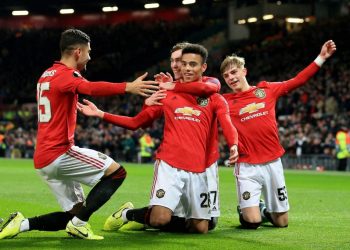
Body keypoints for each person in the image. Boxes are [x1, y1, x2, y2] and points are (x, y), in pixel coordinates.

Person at [0, 29, 159, 240]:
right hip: (59, 153)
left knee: (73, 213)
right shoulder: (67, 75)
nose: (90, 57)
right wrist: (127, 87)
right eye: (88, 52)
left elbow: (58, 99)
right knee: (117, 173)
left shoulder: (46, 74)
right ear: (77, 52)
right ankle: (80, 224)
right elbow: (90, 88)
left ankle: (21, 224)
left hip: (42, 158)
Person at [78, 44, 239, 233]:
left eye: (186, 63)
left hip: (204, 164)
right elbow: (136, 122)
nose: (180, 66)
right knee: (160, 219)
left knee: (205, 225)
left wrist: (234, 145)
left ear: (202, 66)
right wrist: (102, 114)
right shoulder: (165, 94)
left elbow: (224, 115)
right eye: (176, 62)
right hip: (171, 164)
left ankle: (148, 218)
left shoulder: (211, 92)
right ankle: (129, 214)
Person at [220, 40, 336, 229]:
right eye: (226, 76)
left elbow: (297, 81)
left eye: (233, 72)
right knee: (252, 222)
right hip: (247, 165)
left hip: (273, 163)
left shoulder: (266, 90)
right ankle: (248, 210)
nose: (230, 78)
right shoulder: (224, 101)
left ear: (244, 71)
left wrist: (321, 57)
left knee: (281, 223)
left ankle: (263, 208)